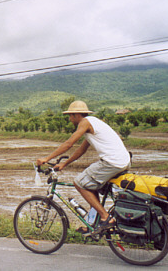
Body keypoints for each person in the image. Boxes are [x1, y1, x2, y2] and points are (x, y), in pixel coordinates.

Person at [36, 100, 131, 234]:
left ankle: (106, 217)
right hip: (123, 161)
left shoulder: (84, 123)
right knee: (91, 186)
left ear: (76, 115)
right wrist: (64, 163)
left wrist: (46, 158)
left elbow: (69, 143)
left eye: (70, 116)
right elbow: (81, 150)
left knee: (79, 182)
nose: (69, 119)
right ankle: (92, 223)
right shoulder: (93, 123)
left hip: (112, 162)